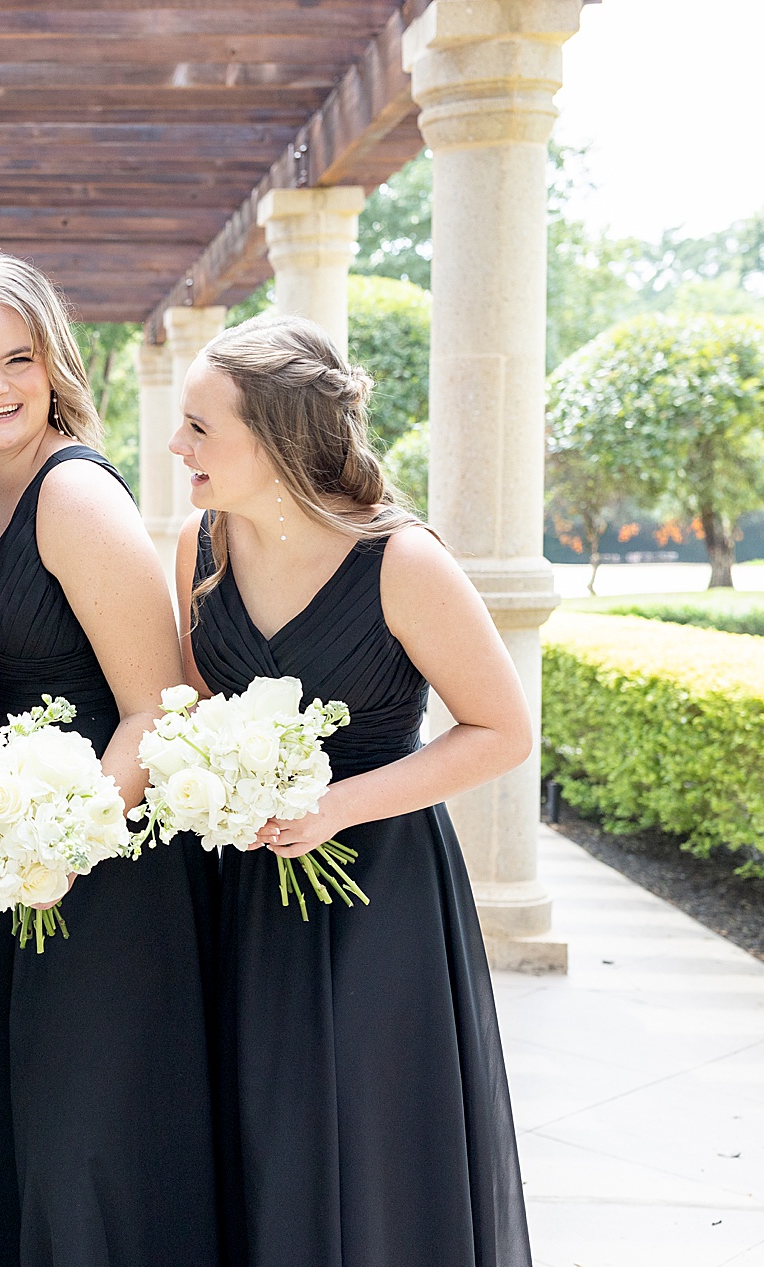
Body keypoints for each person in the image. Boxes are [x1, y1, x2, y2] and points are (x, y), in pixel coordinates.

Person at [173, 313, 534, 1267]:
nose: (179, 446)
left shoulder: (401, 561)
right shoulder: (199, 548)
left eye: (202, 428)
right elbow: (198, 707)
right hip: (243, 887)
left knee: (367, 1140)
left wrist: (336, 805)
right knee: (256, 1126)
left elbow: (502, 730)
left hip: (379, 893)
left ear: (278, 437)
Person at [0, 255, 221, 1267]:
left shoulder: (74, 495)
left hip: (103, 872)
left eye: (17, 358)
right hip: (0, 866)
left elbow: (156, 705)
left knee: (81, 1143)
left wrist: (58, 844)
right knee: (2, 1134)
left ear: (54, 363)